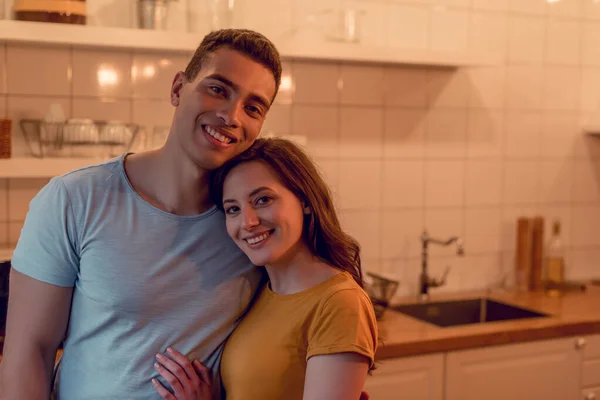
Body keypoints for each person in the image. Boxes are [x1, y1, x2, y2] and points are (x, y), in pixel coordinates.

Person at [0, 29, 282, 399]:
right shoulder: (73, 199)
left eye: (253, 107)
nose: (231, 115)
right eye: (217, 89)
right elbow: (29, 352)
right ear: (178, 88)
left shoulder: (249, 227)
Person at [151, 137, 378, 400]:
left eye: (263, 200)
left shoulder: (339, 303)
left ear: (305, 200)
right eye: (233, 209)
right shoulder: (260, 291)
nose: (248, 222)